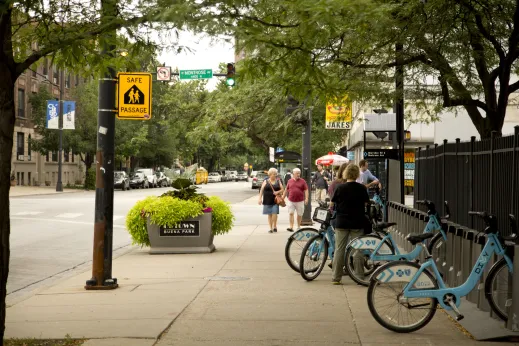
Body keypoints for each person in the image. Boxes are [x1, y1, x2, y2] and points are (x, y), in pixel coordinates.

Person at [330, 164, 370, 285]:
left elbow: (332, 204)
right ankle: (359, 276)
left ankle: (336, 277)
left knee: (339, 249)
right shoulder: (362, 188)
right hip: (357, 222)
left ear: (345, 174)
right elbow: (366, 204)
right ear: (357, 174)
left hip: (341, 222)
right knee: (358, 250)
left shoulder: (339, 188)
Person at [258, 168, 284, 233]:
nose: (275, 175)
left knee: (274, 213)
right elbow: (261, 190)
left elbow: (282, 189)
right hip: (267, 200)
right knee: (269, 214)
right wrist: (260, 198)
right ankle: (271, 228)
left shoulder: (278, 181)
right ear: (270, 174)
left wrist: (277, 192)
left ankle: (274, 225)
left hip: (275, 200)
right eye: (273, 174)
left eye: (275, 174)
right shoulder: (266, 181)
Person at [282, 168, 309, 232]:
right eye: (297, 173)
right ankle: (291, 227)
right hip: (291, 200)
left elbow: (306, 190)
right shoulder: (289, 181)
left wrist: (307, 198)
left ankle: (298, 226)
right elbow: (286, 190)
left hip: (300, 201)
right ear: (293, 174)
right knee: (291, 213)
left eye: (299, 173)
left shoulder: (303, 181)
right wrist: (282, 197)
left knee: (299, 214)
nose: (298, 174)